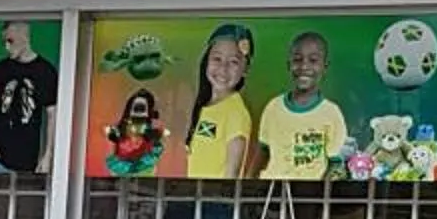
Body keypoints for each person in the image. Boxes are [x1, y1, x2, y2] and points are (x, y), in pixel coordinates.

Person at [257, 32, 350, 181]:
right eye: (297, 60)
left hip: (309, 196)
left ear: (324, 67)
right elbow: (262, 153)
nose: (304, 66)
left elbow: (336, 165)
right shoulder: (273, 107)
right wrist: (243, 187)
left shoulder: (331, 113)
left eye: (313, 60)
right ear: (289, 65)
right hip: (272, 193)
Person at [0, 20, 57, 175]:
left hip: (28, 156)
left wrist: (48, 154)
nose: (7, 47)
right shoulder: (0, 69)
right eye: (4, 42)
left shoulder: (45, 71)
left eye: (10, 41)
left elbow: (52, 114)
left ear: (25, 38)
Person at [182, 24, 255, 180]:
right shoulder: (205, 106)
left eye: (234, 62)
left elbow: (231, 177)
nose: (223, 68)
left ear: (245, 69)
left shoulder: (236, 113)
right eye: (217, 58)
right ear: (206, 60)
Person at [102, 89, 165, 176]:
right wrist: (112, 134)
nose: (139, 111)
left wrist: (155, 138)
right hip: (122, 166)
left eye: (142, 108)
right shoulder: (123, 127)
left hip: (143, 166)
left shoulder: (148, 129)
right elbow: (114, 137)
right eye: (137, 107)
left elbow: (156, 147)